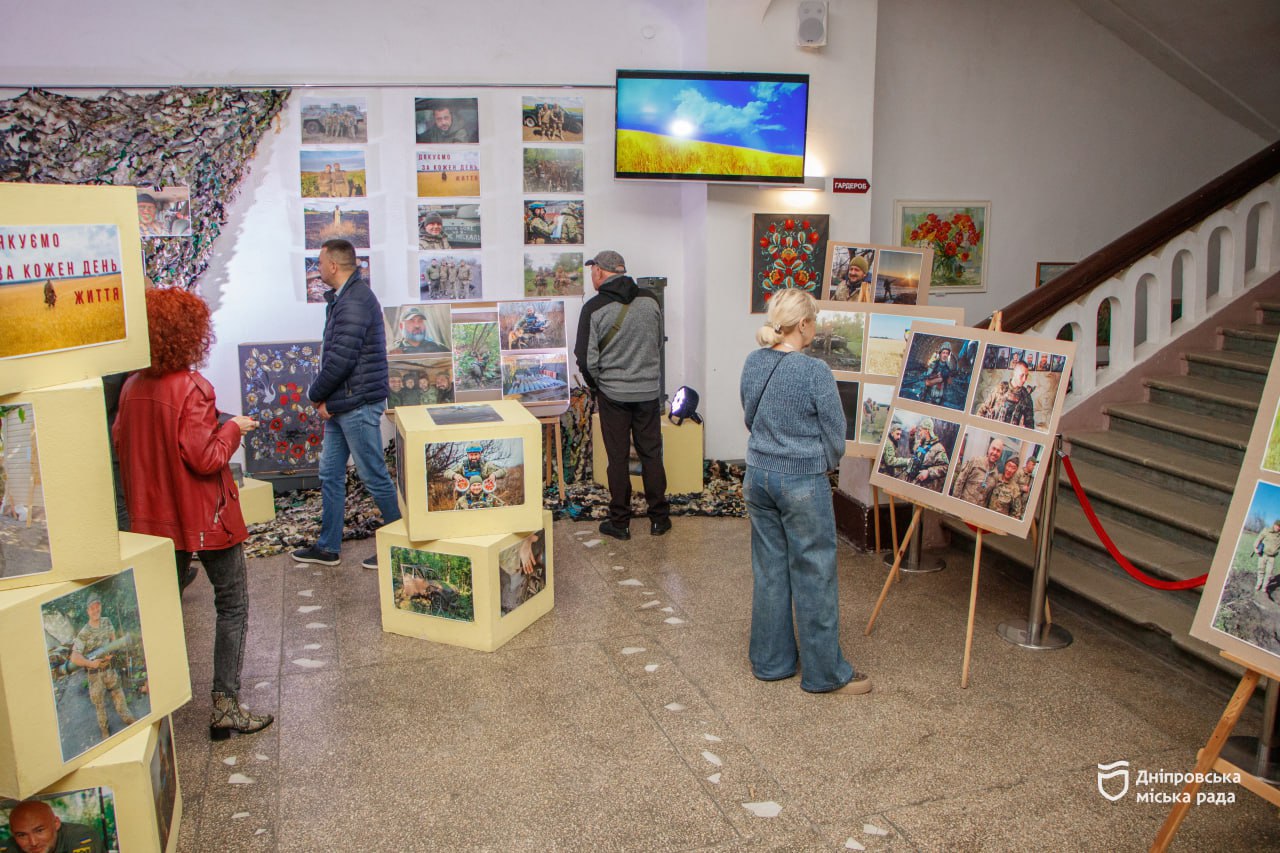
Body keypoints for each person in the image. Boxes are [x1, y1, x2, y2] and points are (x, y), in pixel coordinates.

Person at [114, 287, 273, 741]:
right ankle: (225, 705)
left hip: (154, 521)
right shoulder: (192, 388)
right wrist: (232, 428)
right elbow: (205, 458)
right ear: (191, 335)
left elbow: (125, 445)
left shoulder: (131, 388)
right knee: (233, 604)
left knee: (162, 608)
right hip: (204, 517)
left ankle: (150, 704)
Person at [739, 288, 869, 696]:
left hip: (757, 476)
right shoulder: (815, 373)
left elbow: (749, 416)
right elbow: (836, 439)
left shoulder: (754, 362)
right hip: (800, 481)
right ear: (803, 324)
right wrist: (817, 462)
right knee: (815, 573)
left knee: (770, 570)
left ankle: (771, 662)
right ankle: (824, 673)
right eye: (814, 319)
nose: (816, 326)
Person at [291, 239, 402, 570]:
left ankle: (399, 546)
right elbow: (342, 360)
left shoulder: (354, 301)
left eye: (320, 262)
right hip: (345, 403)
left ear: (333, 266)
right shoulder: (347, 298)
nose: (318, 268)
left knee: (373, 475)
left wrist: (316, 396)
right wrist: (329, 400)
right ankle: (328, 547)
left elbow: (340, 361)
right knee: (330, 473)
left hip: (356, 404)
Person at [574, 249, 669, 540]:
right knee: (651, 453)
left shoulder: (594, 307)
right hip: (648, 391)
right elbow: (657, 341)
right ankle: (659, 519)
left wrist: (597, 386)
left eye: (593, 271)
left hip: (613, 393)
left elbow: (584, 358)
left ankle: (620, 522)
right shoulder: (650, 300)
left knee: (617, 458)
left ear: (600, 272)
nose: (592, 276)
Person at [69, 592, 136, 741]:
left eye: (97, 606)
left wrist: (112, 653)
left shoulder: (107, 622)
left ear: (100, 607)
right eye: (92, 608)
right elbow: (74, 657)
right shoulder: (84, 633)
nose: (95, 610)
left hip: (110, 669)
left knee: (119, 696)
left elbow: (113, 641)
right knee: (100, 705)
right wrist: (90, 663)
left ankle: (129, 720)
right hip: (95, 675)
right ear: (88, 611)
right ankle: (105, 731)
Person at [4, 799, 104, 853]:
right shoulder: (9, 847)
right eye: (22, 835)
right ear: (13, 834)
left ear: (56, 823)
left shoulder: (80, 836)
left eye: (39, 831)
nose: (33, 842)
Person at [976, 360, 1037, 428]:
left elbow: (1030, 425)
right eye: (1022, 375)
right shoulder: (1000, 389)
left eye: (1026, 376)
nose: (1024, 379)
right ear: (1014, 373)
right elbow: (983, 409)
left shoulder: (1026, 397)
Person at [950, 437, 1004, 506]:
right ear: (989, 449)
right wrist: (955, 503)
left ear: (1000, 454)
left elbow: (988, 498)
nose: (995, 453)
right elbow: (959, 482)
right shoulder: (975, 462)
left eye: (998, 451)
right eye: (993, 449)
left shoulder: (995, 475)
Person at [909, 417, 950, 489]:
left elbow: (945, 468)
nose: (919, 433)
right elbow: (912, 450)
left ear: (927, 431)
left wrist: (928, 472)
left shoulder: (938, 448)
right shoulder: (920, 443)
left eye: (920, 431)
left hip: (927, 487)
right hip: (914, 483)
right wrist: (912, 436)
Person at [920, 342, 954, 406]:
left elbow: (949, 384)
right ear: (940, 354)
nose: (945, 355)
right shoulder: (934, 365)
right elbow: (926, 382)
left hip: (940, 400)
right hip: (929, 399)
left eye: (947, 353)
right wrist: (937, 380)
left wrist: (948, 379)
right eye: (943, 353)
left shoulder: (947, 368)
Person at [1254, 520, 1280, 593]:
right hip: (1262, 555)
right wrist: (1255, 548)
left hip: (1272, 557)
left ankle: (1264, 587)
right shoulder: (1266, 530)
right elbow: (1258, 539)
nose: (1278, 528)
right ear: (1274, 525)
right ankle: (1258, 584)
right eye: (1277, 526)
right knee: (1261, 570)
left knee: (1269, 573)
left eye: (1279, 527)